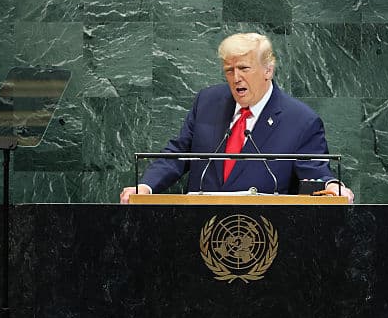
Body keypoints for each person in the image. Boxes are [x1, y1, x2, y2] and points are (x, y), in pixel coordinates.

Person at [119, 33, 354, 204]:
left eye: (244, 68)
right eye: (229, 70)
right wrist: (145, 187)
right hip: (198, 231)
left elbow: (315, 171)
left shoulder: (301, 120)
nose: (236, 78)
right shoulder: (208, 102)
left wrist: (332, 186)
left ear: (268, 70)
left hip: (263, 236)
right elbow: (179, 152)